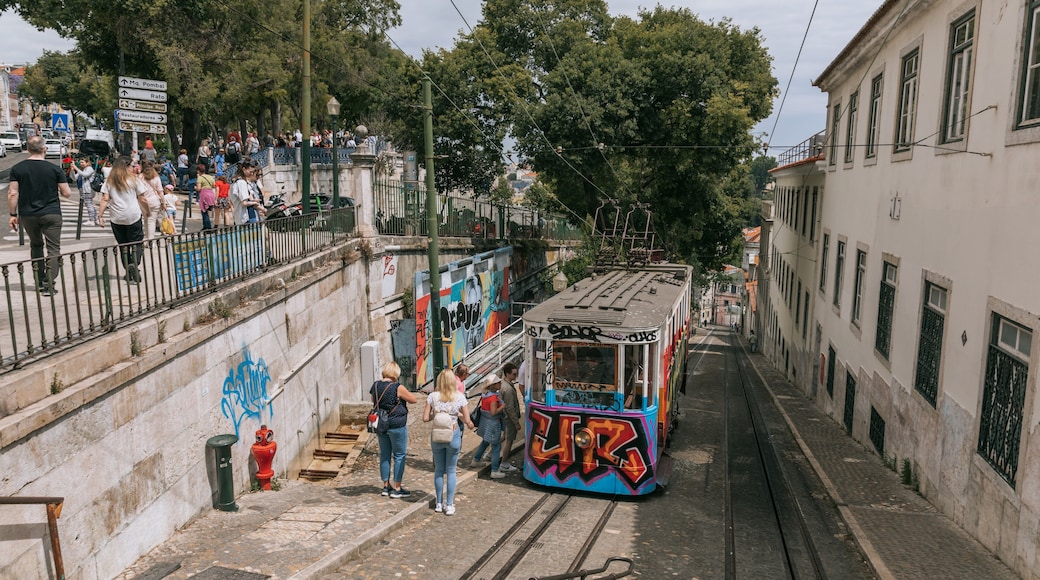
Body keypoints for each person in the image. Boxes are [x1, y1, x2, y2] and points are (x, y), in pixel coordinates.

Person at [7, 136, 74, 295]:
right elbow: (67, 193)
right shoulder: (55, 169)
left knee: (36, 245)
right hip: (51, 213)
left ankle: (39, 280)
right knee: (53, 249)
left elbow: (12, 193)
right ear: (45, 149)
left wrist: (12, 214)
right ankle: (48, 284)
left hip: (28, 214)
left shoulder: (18, 169)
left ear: (28, 149)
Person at [423, 369, 476, 515]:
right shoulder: (459, 397)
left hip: (437, 436)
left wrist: (438, 415)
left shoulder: (432, 397)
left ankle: (439, 503)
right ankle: (450, 504)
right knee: (451, 470)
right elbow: (466, 419)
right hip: (453, 435)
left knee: (439, 470)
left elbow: (425, 418)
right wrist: (466, 421)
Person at [97, 156, 149, 284]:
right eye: (132, 165)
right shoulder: (134, 180)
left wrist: (100, 215)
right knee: (137, 242)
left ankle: (128, 268)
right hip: (133, 215)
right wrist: (147, 211)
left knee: (123, 245)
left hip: (117, 217)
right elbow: (142, 198)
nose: (134, 168)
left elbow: (105, 199)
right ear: (126, 166)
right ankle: (135, 264)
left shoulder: (109, 181)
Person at [370, 361, 419, 498]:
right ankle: (397, 488)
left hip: (381, 425)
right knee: (399, 455)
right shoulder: (397, 387)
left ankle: (386, 486)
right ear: (395, 373)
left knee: (384, 455)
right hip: (396, 424)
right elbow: (413, 399)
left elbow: (374, 402)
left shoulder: (375, 385)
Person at [471, 373, 507, 479]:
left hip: (484, 422)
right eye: (499, 383)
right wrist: (503, 406)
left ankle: (476, 459)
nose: (500, 384)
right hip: (493, 424)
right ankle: (494, 470)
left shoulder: (484, 395)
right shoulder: (493, 398)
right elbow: (493, 412)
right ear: (494, 385)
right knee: (496, 447)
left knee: (485, 441)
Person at [498, 362, 522, 470]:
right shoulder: (507, 389)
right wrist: (516, 422)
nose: (515, 376)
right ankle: (504, 463)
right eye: (513, 374)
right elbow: (510, 408)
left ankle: (490, 454)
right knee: (509, 440)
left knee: (504, 437)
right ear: (507, 374)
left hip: (505, 417)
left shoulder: (504, 385)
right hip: (509, 419)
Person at [69, 159, 100, 226]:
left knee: (89, 205)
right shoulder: (82, 170)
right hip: (83, 190)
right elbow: (74, 178)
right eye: (80, 162)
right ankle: (96, 219)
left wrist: (76, 168)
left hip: (88, 190)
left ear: (87, 162)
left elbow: (85, 175)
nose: (81, 164)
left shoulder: (89, 169)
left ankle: (91, 220)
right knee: (90, 205)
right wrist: (72, 170)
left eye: (82, 162)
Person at [139, 161, 165, 240]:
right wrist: (163, 203)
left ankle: (147, 238)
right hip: (154, 201)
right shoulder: (156, 177)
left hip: (143, 201)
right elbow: (160, 191)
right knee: (152, 221)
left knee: (146, 220)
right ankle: (151, 240)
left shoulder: (139, 177)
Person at [195, 164, 216, 231]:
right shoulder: (210, 177)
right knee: (207, 210)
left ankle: (208, 227)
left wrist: (195, 187)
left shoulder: (200, 178)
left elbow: (198, 188)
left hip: (204, 194)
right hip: (211, 194)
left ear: (198, 170)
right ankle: (205, 226)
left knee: (204, 211)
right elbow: (213, 185)